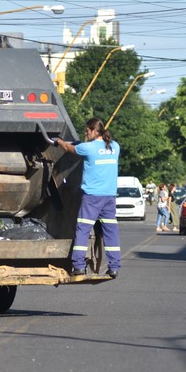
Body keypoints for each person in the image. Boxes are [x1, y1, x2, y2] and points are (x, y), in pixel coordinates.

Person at [54, 118, 121, 279]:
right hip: (109, 197)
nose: (85, 133)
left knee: (82, 230)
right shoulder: (115, 147)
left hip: (92, 197)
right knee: (110, 231)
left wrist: (58, 140)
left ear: (94, 131)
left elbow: (69, 148)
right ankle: (114, 267)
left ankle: (78, 266)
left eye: (87, 130)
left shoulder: (88, 148)